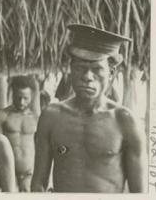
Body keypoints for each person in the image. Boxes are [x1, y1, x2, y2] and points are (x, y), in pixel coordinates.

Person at [31, 24, 146, 192]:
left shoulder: (125, 121)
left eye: (97, 69)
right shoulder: (51, 116)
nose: (87, 77)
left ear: (111, 73)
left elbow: (139, 192)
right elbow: (38, 185)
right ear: (70, 70)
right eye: (80, 68)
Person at [0, 75, 40, 192]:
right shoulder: (3, 115)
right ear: (12, 94)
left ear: (31, 97)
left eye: (25, 98)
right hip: (8, 170)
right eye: (18, 97)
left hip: (29, 172)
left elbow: (42, 146)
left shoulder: (36, 118)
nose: (21, 101)